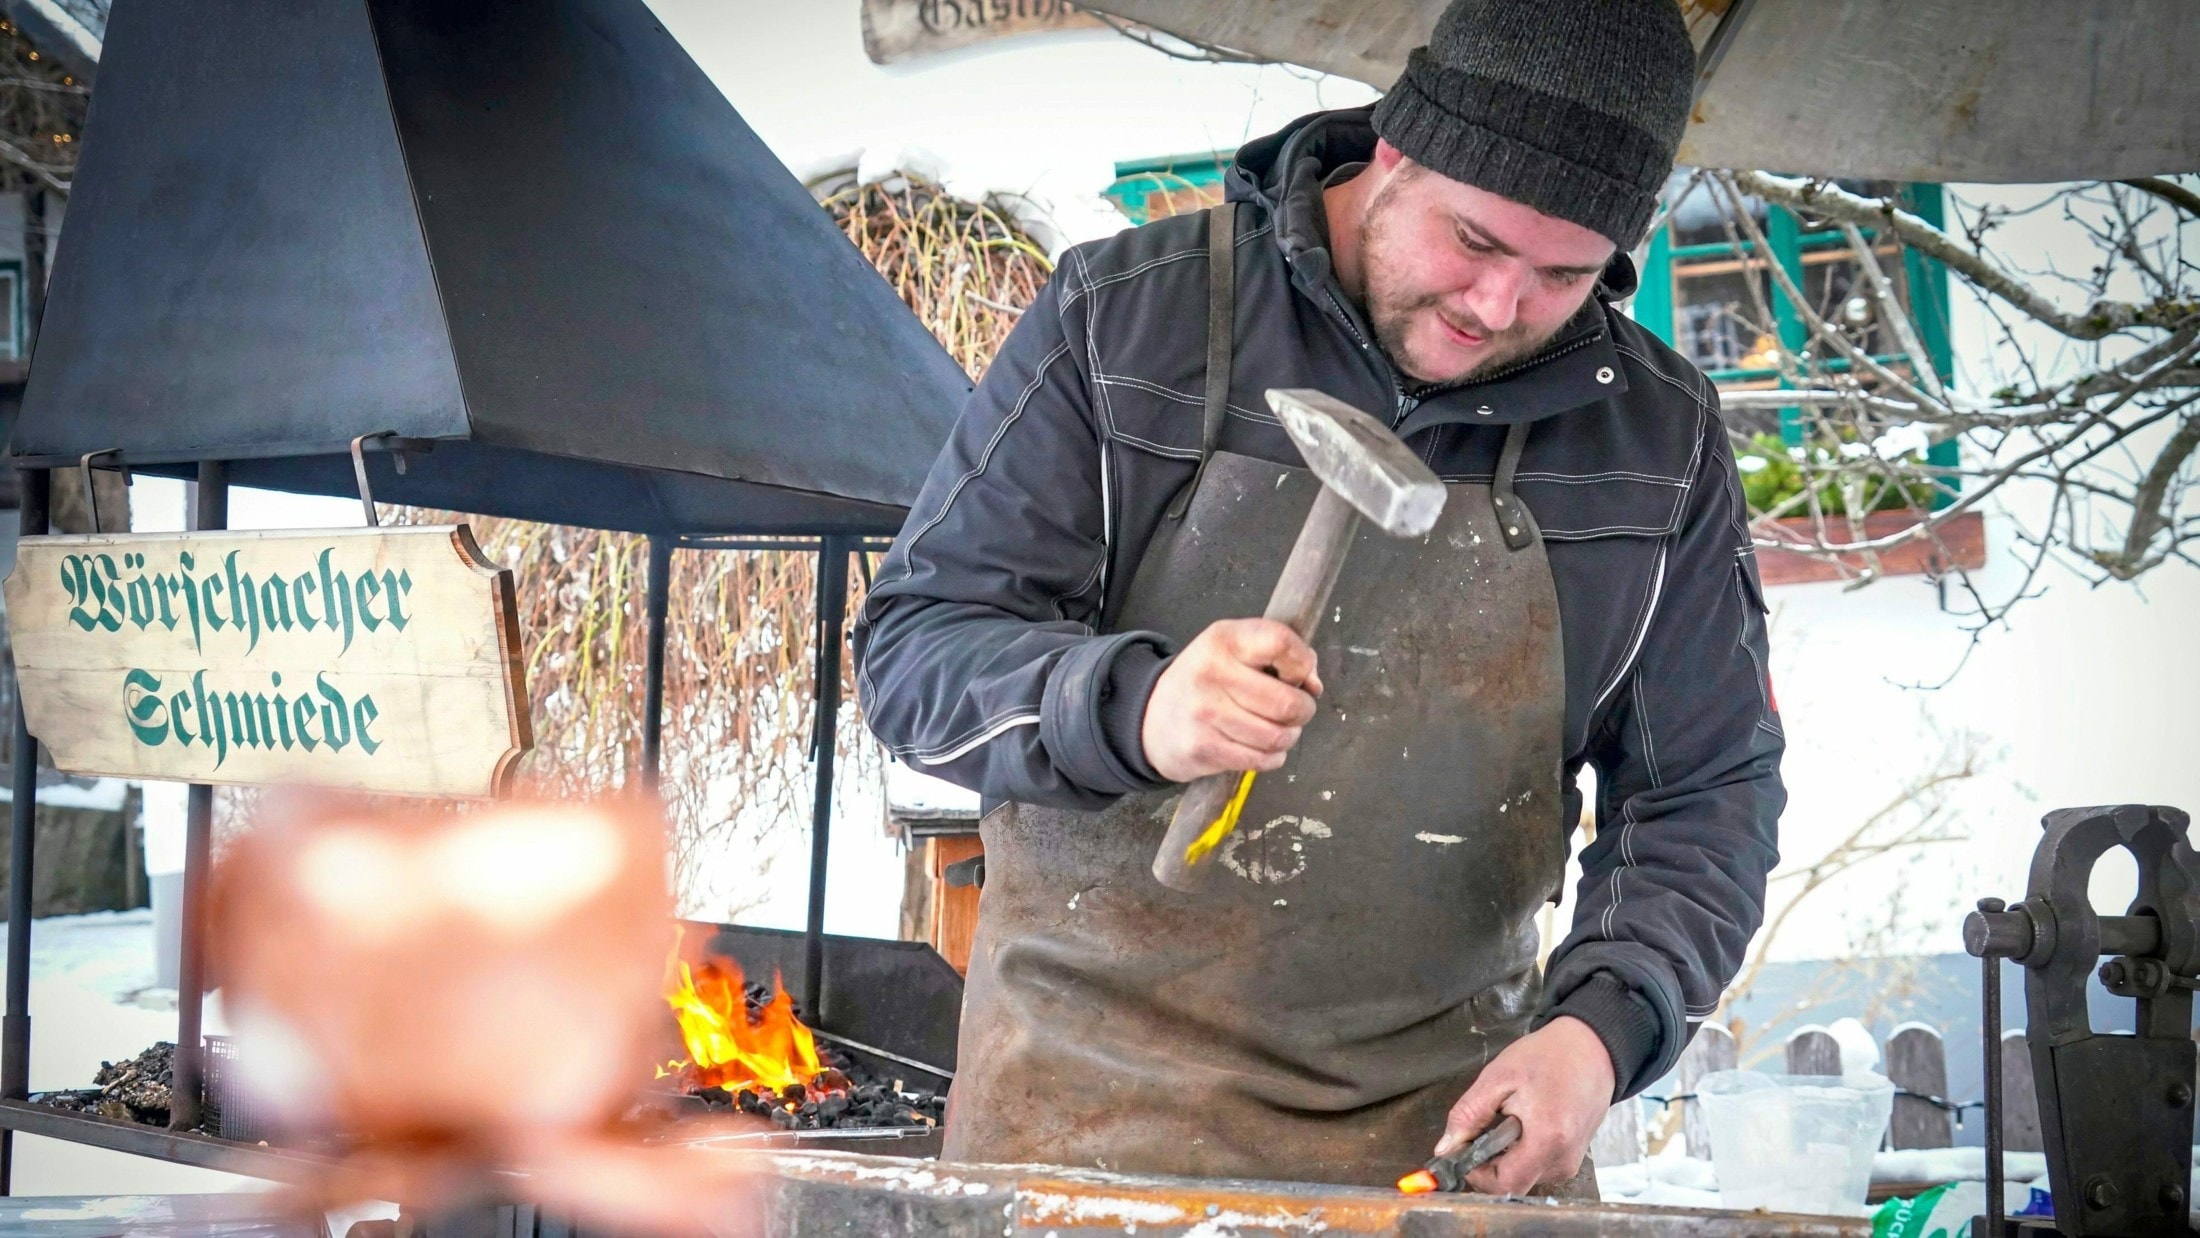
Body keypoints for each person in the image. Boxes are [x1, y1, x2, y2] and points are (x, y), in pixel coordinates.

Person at [855, 0, 1782, 1196]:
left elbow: (1706, 788)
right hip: (1078, 1137)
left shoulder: (1653, 439)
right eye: (1475, 242)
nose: (1498, 308)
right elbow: (914, 655)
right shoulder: (1125, 320)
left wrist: (1601, 1034)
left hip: (1448, 1153)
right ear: (1394, 152)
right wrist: (1129, 706)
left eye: (1565, 274)